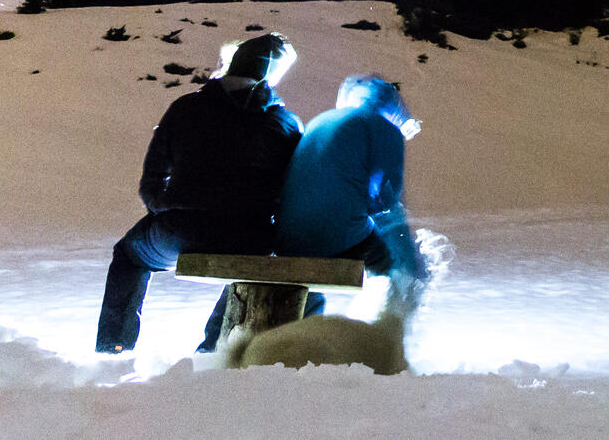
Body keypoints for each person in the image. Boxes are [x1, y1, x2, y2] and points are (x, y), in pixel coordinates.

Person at [94, 33, 301, 354]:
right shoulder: (286, 123)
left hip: (180, 231)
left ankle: (114, 348)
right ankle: (211, 349)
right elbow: (290, 193)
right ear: (271, 75)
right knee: (253, 266)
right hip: (248, 238)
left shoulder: (185, 108)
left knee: (129, 256)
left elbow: (152, 179)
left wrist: (165, 208)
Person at [276, 73, 429, 314]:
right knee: (399, 267)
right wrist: (411, 262)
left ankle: (304, 327)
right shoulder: (383, 127)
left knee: (314, 277)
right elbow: (387, 202)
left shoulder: (321, 119)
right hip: (333, 234)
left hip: (286, 237)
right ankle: (387, 330)